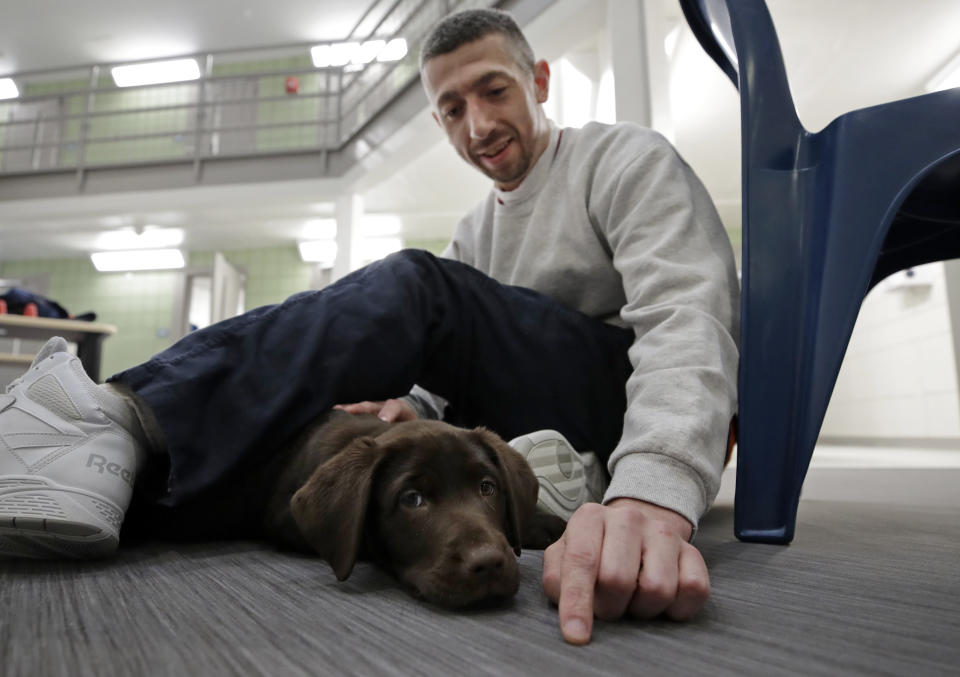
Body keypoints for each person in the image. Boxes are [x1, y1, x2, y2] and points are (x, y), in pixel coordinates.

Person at [0, 9, 738, 645]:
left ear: (539, 82)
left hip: (621, 392)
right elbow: (457, 374)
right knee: (335, 414)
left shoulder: (623, 159)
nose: (477, 124)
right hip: (522, 424)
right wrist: (413, 408)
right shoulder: (478, 230)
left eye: (494, 90)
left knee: (415, 285)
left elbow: (687, 315)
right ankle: (129, 489)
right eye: (452, 109)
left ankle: (119, 419)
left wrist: (655, 488)